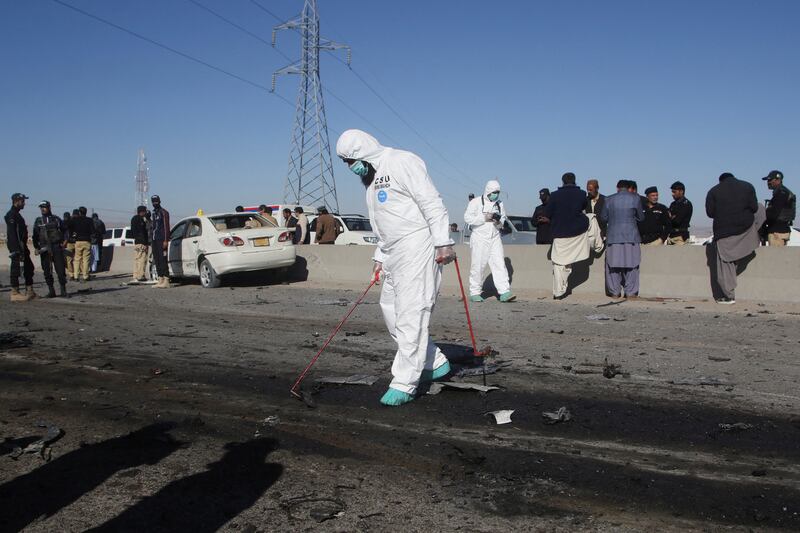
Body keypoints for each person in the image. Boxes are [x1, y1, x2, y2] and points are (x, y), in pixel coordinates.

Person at [336, 129, 456, 406]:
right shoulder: (372, 177)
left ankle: (405, 382)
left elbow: (431, 202)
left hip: (418, 244)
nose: (350, 168)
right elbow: (385, 220)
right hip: (392, 250)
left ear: (361, 153)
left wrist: (442, 242)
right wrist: (380, 256)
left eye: (349, 161)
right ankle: (433, 361)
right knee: (390, 309)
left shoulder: (403, 161)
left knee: (412, 312)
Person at [706, 172, 762, 304]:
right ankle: (757, 236)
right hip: (747, 232)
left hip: (724, 234)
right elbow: (754, 208)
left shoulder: (713, 191)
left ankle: (728, 296)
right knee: (761, 207)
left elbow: (710, 213)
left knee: (725, 265)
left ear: (721, 181)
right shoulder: (748, 186)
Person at [545, 173, 602, 299]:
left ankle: (558, 292)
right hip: (577, 233)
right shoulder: (581, 194)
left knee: (559, 265)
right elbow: (583, 208)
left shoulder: (554, 195)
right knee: (592, 218)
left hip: (560, 235)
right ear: (575, 181)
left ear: (562, 182)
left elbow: (547, 213)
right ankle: (598, 246)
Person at [464, 180, 515, 303]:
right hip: (479, 238)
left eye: (498, 192)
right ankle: (475, 292)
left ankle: (504, 292)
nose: (496, 194)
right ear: (488, 191)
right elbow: (467, 218)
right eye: (494, 192)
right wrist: (484, 217)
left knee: (499, 264)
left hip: (495, 237)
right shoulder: (475, 202)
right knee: (478, 265)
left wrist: (498, 221)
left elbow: (502, 219)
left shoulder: (499, 204)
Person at [600, 180, 645, 298]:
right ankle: (630, 292)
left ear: (617, 188)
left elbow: (603, 218)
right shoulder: (635, 199)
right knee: (632, 265)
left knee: (613, 266)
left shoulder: (608, 199)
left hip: (613, 236)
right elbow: (641, 217)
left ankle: (614, 292)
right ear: (628, 187)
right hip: (631, 236)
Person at [4, 193, 36, 302]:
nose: (24, 203)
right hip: (17, 247)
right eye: (22, 201)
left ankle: (30, 291)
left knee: (29, 268)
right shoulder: (11, 215)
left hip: (22, 246)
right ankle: (15, 293)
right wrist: (15, 250)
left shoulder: (17, 214)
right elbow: (12, 233)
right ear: (16, 201)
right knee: (16, 269)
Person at [32, 201, 68, 298]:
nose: (43, 209)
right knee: (47, 271)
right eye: (41, 207)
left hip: (56, 247)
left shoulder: (56, 219)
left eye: (44, 207)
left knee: (60, 270)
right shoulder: (38, 221)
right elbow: (35, 235)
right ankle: (51, 291)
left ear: (49, 207)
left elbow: (65, 230)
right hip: (44, 248)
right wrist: (36, 247)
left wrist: (65, 241)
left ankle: (63, 290)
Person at [763, 170, 795, 247]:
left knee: (775, 257)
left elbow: (774, 213)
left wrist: (764, 218)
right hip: (780, 230)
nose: (768, 182)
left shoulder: (781, 193)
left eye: (770, 180)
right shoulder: (781, 192)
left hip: (778, 231)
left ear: (778, 180)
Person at [68, 206, 94, 282]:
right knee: (86, 260)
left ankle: (76, 276)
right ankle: (85, 276)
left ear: (79, 212)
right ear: (86, 212)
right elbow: (93, 231)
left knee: (77, 259)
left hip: (78, 241)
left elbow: (69, 226)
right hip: (87, 241)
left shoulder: (75, 220)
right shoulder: (89, 220)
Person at [150, 195, 171, 288]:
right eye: (153, 202)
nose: (155, 203)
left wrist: (166, 240)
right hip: (154, 239)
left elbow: (166, 227)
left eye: (156, 202)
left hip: (161, 239)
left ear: (159, 201)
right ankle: (160, 278)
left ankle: (166, 279)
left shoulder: (164, 212)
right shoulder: (154, 213)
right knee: (157, 259)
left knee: (163, 259)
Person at [130, 205, 150, 281]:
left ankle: (135, 275)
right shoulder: (140, 220)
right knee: (142, 259)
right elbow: (143, 231)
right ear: (142, 212)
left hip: (136, 242)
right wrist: (145, 243)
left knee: (136, 259)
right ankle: (141, 275)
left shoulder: (133, 219)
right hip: (142, 243)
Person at [63, 210, 76, 279]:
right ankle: (77, 273)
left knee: (69, 260)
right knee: (77, 259)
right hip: (76, 242)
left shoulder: (63, 224)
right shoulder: (74, 222)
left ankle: (71, 274)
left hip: (69, 243)